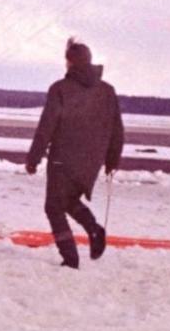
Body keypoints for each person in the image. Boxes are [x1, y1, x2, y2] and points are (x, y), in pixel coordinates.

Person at [25, 39, 124, 269]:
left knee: (53, 207)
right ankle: (94, 230)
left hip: (62, 160)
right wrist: (111, 161)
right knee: (68, 200)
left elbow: (46, 126)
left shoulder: (60, 89)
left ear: (69, 62)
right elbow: (117, 129)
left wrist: (33, 159)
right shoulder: (107, 91)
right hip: (90, 162)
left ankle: (70, 258)